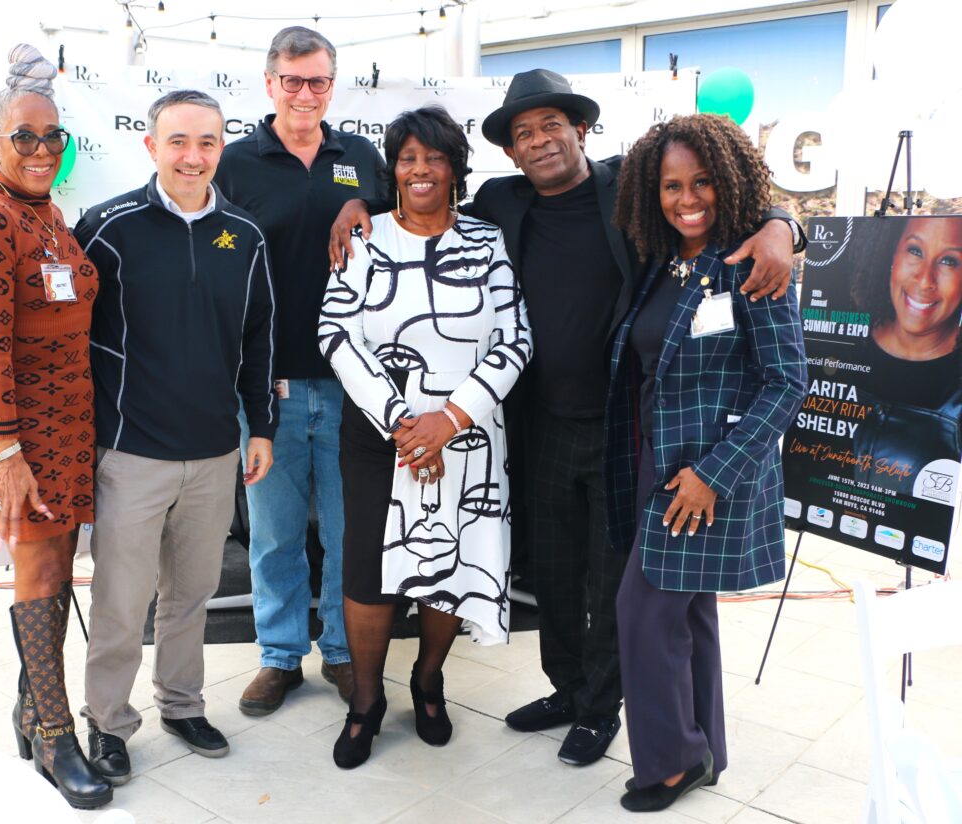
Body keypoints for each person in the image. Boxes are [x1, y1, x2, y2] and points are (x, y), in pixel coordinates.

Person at [329, 68, 802, 766]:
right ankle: (565, 685)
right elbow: (423, 187)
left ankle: (598, 706)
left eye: (552, 125)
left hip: (622, 424)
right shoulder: (501, 201)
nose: (540, 141)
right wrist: (359, 204)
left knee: (609, 574)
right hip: (538, 419)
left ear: (581, 129)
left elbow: (715, 198)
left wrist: (782, 225)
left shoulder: (628, 190)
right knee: (551, 572)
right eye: (524, 134)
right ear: (511, 153)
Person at [318, 105, 532, 769]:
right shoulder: (363, 239)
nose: (420, 170)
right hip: (380, 435)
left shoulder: (488, 243)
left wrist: (451, 417)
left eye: (433, 158)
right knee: (367, 572)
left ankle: (429, 681)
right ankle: (365, 700)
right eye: (407, 158)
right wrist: (400, 419)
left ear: (455, 170)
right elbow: (335, 333)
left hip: (466, 437)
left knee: (451, 561)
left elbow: (515, 339)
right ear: (394, 170)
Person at [606, 113, 808, 812]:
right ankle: (704, 748)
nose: (686, 198)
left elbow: (787, 383)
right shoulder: (665, 259)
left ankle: (672, 761)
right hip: (654, 462)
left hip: (706, 477)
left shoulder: (753, 262)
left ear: (727, 183)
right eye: (670, 186)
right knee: (685, 614)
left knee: (641, 611)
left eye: (701, 183)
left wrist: (714, 475)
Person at [75, 90, 276, 785]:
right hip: (130, 454)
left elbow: (259, 340)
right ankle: (106, 724)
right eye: (179, 142)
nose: (193, 157)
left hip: (216, 451)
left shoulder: (244, 236)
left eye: (208, 142)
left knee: (190, 594)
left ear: (224, 147)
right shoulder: (108, 228)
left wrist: (261, 430)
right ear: (151, 146)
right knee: (122, 603)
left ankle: (183, 704)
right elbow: (71, 339)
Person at [0, 45, 112, 810]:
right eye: (25, 136)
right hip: (21, 428)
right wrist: (10, 455)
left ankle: (29, 714)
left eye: (54, 137)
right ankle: (55, 739)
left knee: (53, 572)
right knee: (42, 578)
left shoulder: (45, 213)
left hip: (70, 420)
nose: (43, 149)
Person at [214, 26, 384, 713]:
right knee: (276, 532)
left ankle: (343, 652)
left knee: (348, 532)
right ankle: (280, 656)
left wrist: (364, 202)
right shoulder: (235, 163)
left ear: (332, 85)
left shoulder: (363, 158)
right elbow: (215, 258)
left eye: (317, 81)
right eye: (292, 80)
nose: (305, 93)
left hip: (356, 385)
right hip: (269, 388)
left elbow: (408, 221)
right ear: (269, 84)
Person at [849, 216, 962, 493]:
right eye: (915, 251)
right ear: (891, 255)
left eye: (949, 261)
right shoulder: (842, 344)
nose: (925, 280)